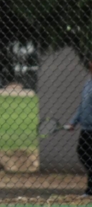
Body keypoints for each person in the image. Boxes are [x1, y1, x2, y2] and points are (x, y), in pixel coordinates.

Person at [67, 60, 92, 197]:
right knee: (83, 153)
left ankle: (89, 190)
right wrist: (73, 122)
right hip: (87, 128)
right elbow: (83, 106)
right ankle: (90, 189)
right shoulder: (88, 84)